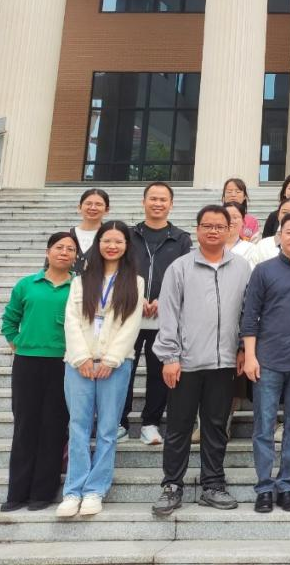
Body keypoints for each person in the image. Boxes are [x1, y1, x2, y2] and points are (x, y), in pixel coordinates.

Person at [150, 205, 252, 517]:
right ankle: (172, 485)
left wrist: (242, 349)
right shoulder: (180, 268)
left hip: (224, 364)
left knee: (216, 426)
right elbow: (168, 314)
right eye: (207, 225)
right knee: (179, 427)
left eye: (219, 226)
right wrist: (170, 356)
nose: (213, 231)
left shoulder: (242, 267)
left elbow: (247, 311)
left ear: (230, 229)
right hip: (186, 363)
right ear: (197, 230)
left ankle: (213, 484)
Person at [57, 221, 144, 518]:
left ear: (127, 246)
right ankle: (73, 490)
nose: (112, 246)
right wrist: (81, 357)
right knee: (78, 427)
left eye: (118, 241)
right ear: (98, 244)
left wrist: (111, 360)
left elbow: (131, 325)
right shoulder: (81, 280)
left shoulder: (135, 282)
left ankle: (95, 489)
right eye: (107, 240)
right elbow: (71, 320)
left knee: (107, 429)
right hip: (78, 363)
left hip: (115, 365)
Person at [241, 212, 290, 513]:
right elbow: (250, 315)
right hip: (268, 360)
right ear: (279, 236)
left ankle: (287, 485)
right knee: (264, 426)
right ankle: (264, 486)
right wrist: (250, 355)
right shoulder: (263, 271)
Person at [0, 232, 79, 512]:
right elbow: (10, 320)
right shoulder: (27, 285)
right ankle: (17, 492)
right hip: (27, 363)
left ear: (76, 257)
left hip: (63, 364)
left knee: (54, 426)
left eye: (70, 249)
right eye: (59, 247)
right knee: (25, 425)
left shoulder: (78, 287)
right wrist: (18, 342)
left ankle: (42, 493)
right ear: (48, 252)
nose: (64, 252)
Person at [122, 182, 192, 445]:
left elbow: (185, 275)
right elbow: (119, 269)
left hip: (164, 316)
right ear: (144, 202)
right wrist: (135, 294)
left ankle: (150, 423)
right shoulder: (128, 235)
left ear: (171, 204)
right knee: (124, 368)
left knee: (158, 372)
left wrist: (164, 300)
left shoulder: (181, 238)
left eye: (163, 199)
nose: (158, 203)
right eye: (153, 198)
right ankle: (119, 421)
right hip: (129, 313)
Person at [70, 188, 109, 275]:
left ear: (107, 210)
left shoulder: (111, 239)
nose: (93, 208)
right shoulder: (66, 237)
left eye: (98, 204)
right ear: (79, 207)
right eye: (88, 203)